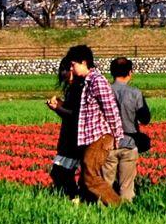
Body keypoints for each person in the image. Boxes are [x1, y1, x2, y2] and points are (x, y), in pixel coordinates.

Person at [66, 45, 124, 207]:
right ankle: (90, 206)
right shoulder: (86, 82)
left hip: (100, 137)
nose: (71, 68)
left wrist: (117, 136)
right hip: (91, 137)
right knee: (86, 176)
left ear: (84, 62)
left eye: (73, 64)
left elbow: (111, 110)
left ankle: (117, 205)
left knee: (90, 176)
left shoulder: (97, 81)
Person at [100, 56, 151, 203]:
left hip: (107, 144)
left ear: (111, 72)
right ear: (130, 73)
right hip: (129, 144)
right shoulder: (135, 93)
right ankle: (126, 213)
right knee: (127, 187)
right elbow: (145, 119)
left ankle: (102, 213)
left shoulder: (104, 92)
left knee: (105, 184)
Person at [45, 57, 85, 199]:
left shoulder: (81, 89)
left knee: (60, 172)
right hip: (69, 138)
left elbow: (76, 115)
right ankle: (74, 197)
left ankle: (74, 198)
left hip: (75, 139)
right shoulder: (74, 89)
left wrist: (57, 108)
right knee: (60, 172)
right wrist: (60, 106)